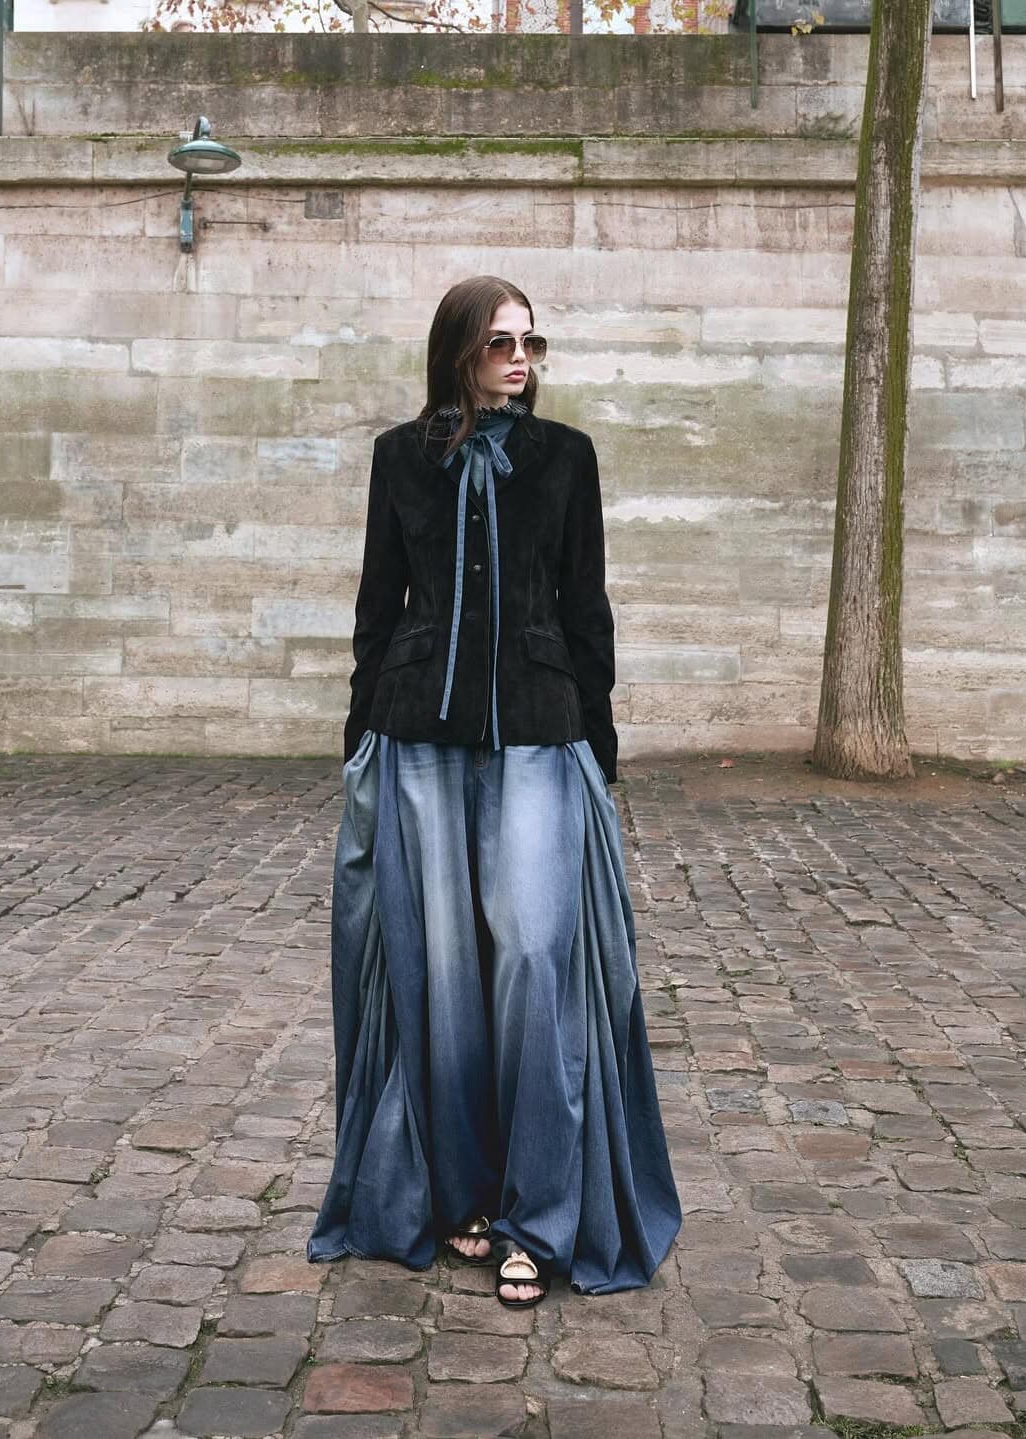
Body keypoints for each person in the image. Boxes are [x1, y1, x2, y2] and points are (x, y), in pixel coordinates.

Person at [306, 275, 681, 1306]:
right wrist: (359, 738)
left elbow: (586, 605)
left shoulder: (566, 458)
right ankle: (463, 1197)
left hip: (539, 730)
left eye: (532, 342)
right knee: (443, 976)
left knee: (531, 956)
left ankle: (540, 1213)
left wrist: (598, 744)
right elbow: (378, 604)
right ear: (459, 351)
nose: (522, 359)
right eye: (502, 342)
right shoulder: (399, 457)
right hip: (416, 732)